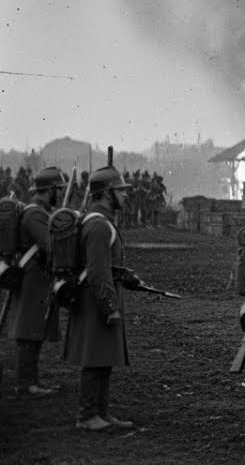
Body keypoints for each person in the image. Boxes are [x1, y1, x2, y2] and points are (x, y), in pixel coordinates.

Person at [63, 165, 133, 431]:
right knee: (94, 359)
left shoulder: (101, 221)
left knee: (103, 357)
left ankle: (101, 412)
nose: (125, 195)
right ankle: (86, 416)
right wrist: (110, 306)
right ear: (106, 193)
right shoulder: (98, 225)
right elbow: (97, 272)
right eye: (120, 190)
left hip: (99, 298)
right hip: (96, 301)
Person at [9, 166, 66, 397]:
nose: (60, 194)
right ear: (49, 190)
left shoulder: (41, 212)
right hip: (32, 280)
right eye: (58, 189)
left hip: (37, 279)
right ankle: (26, 384)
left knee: (34, 331)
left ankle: (30, 381)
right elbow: (51, 245)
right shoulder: (35, 214)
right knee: (29, 333)